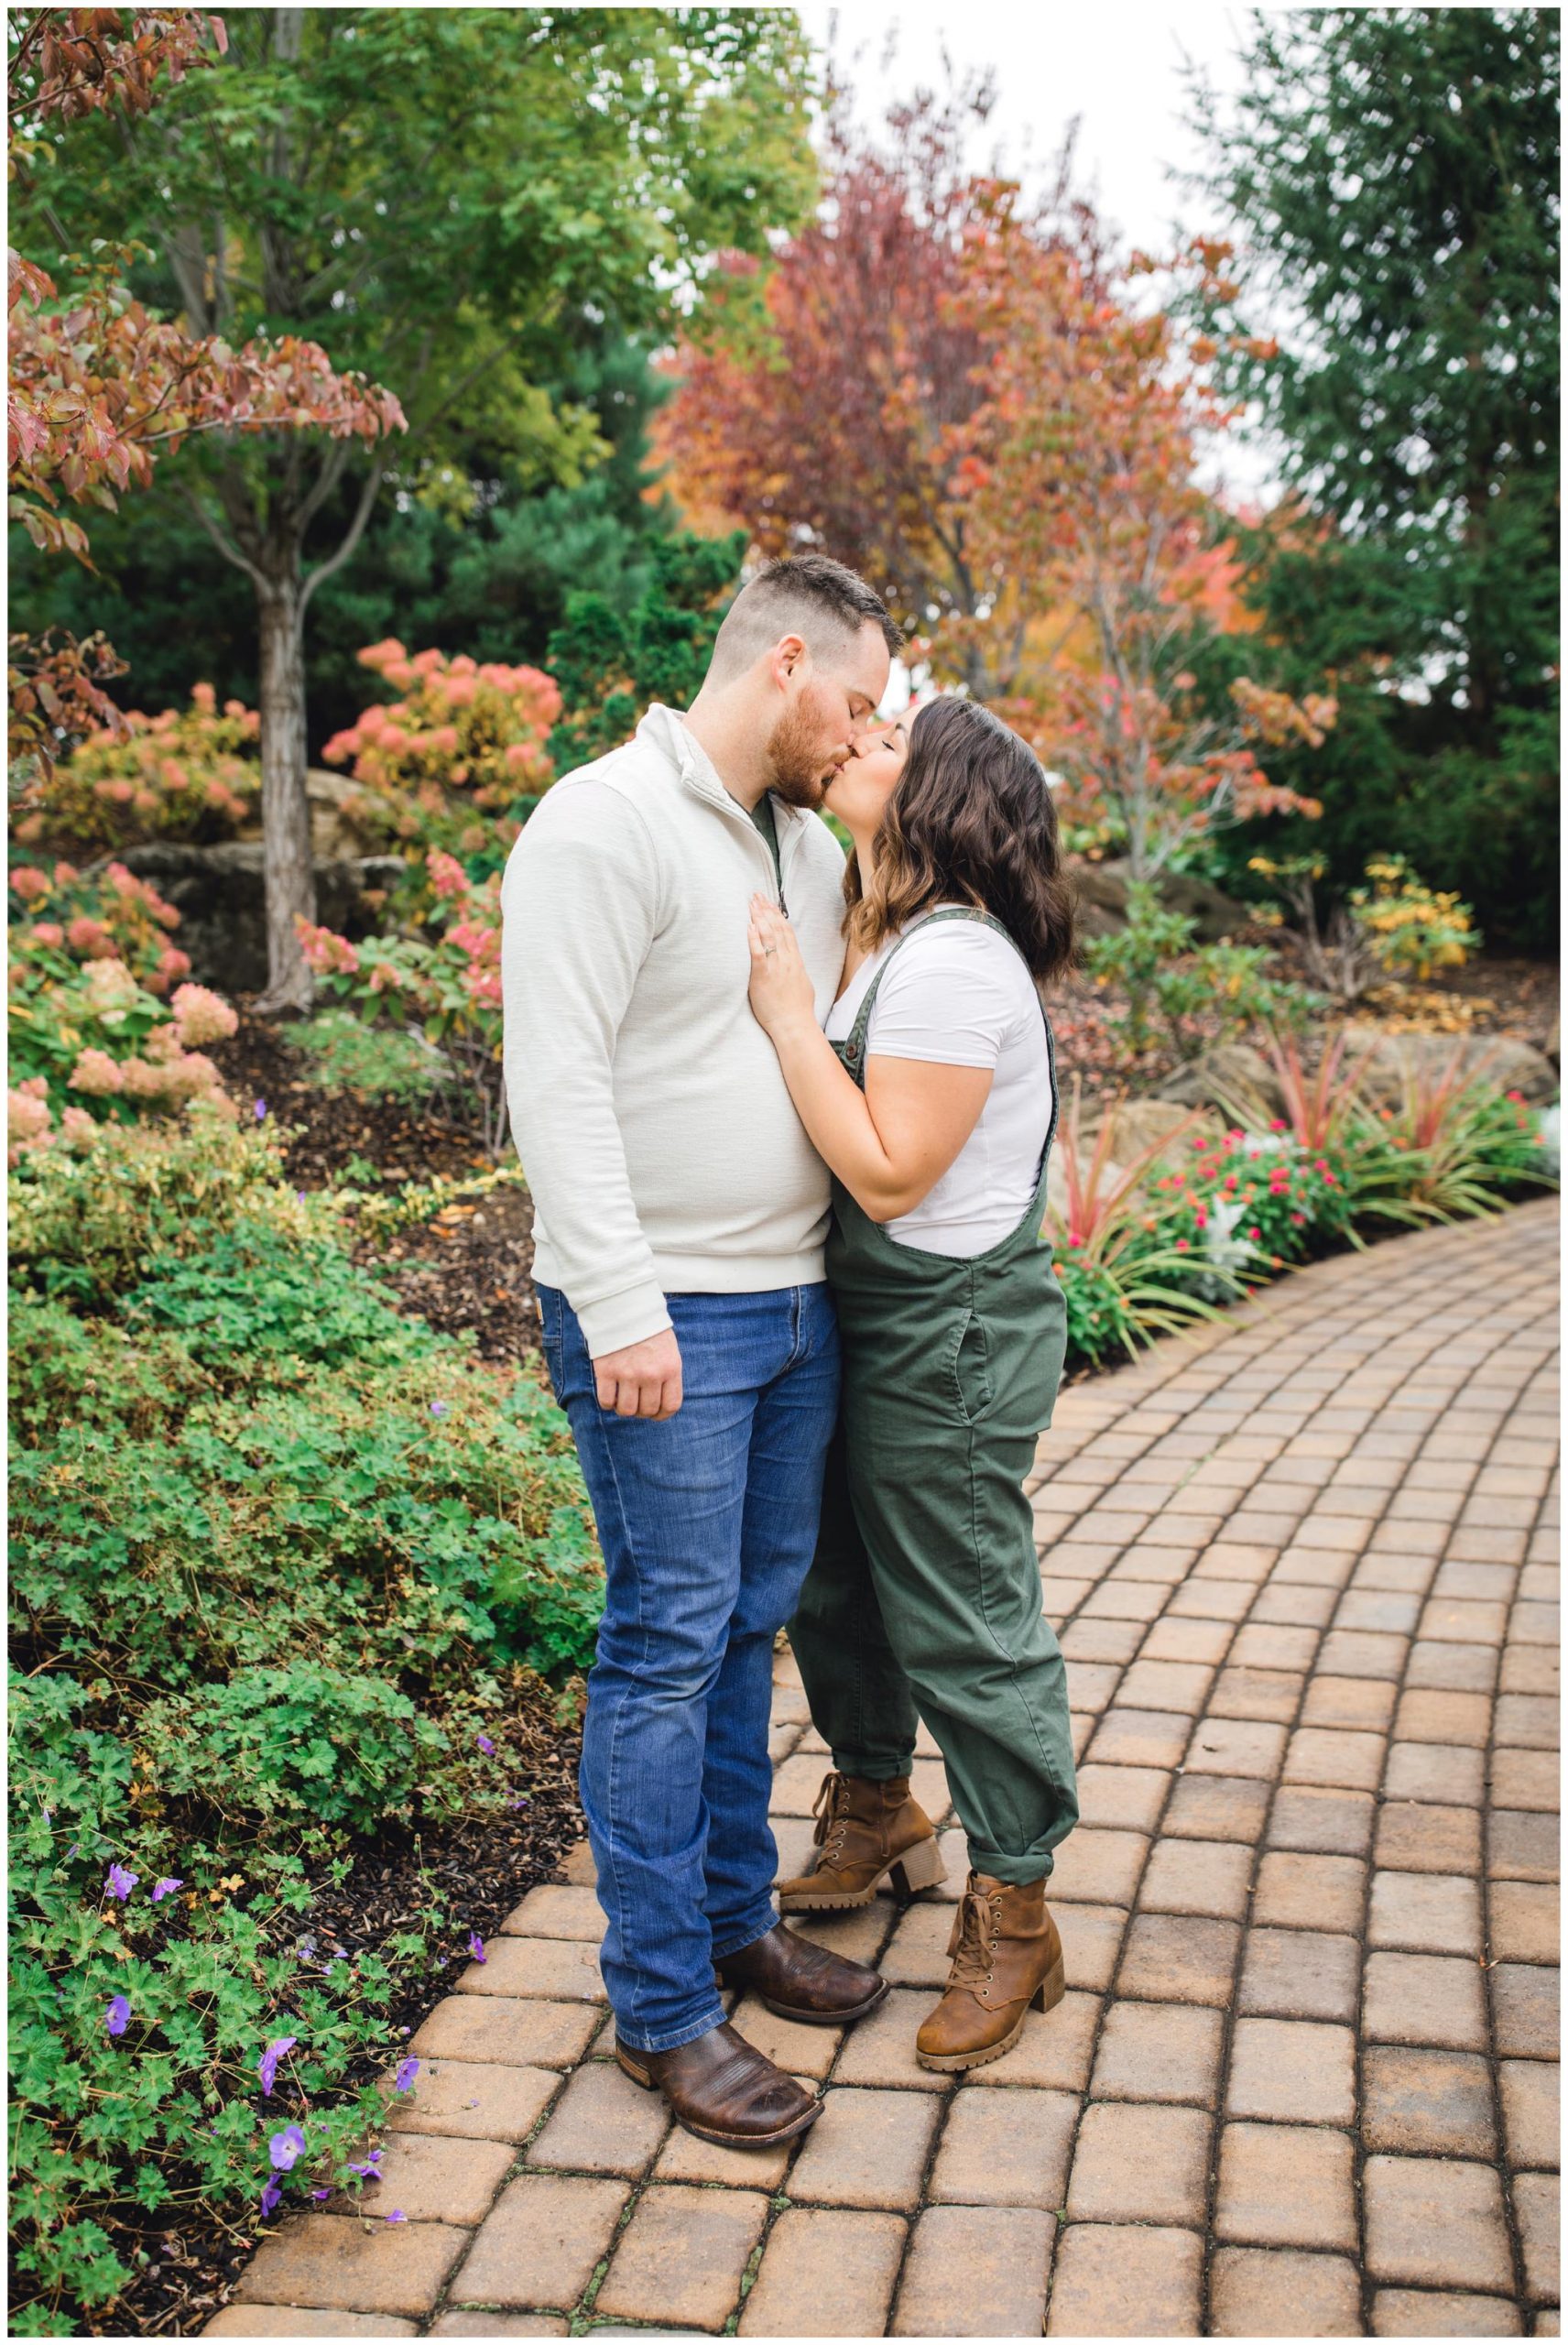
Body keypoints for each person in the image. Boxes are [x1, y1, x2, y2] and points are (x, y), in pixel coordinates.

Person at [501, 555, 903, 2151]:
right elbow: (559, 1081)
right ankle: (662, 2006)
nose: (866, 733)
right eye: (858, 703)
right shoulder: (598, 824)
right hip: (664, 1317)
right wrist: (618, 1307)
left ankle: (737, 1920)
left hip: (790, 1304)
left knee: (746, 1629)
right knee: (664, 1646)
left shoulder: (802, 839)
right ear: (785, 659)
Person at [745, 692, 1081, 2073]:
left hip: (948, 1333)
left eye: (888, 746)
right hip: (869, 1315)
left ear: (937, 799)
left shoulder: (952, 965)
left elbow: (887, 1170)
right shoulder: (886, 934)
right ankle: (881, 1805)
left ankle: (1015, 1902)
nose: (856, 748)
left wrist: (782, 1017)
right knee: (839, 1581)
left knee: (961, 1615)